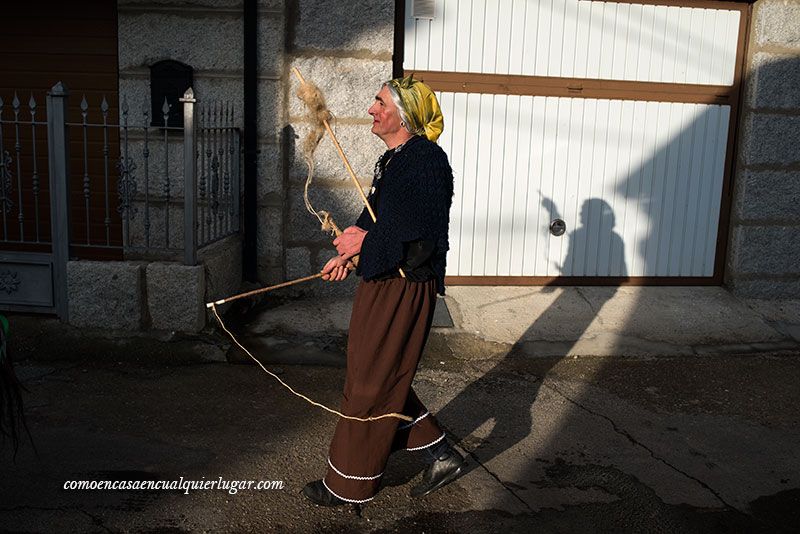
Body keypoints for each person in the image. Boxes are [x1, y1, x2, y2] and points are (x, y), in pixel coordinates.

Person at [302, 76, 463, 506]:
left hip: (406, 285)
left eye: (379, 102)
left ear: (405, 115)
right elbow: (376, 221)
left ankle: (349, 486)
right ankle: (440, 453)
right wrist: (349, 254)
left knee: (372, 381)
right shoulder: (392, 161)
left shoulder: (427, 161)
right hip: (383, 279)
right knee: (372, 371)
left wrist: (366, 245)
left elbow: (420, 234)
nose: (371, 109)